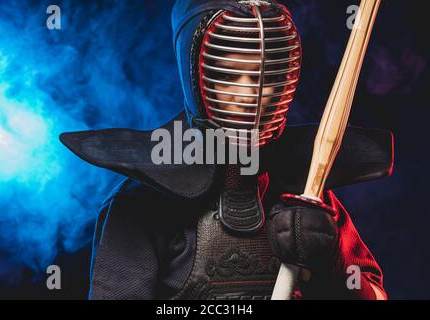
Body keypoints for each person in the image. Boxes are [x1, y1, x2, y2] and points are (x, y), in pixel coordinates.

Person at [60, 0, 393, 300]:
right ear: (197, 77)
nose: (250, 94)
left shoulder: (308, 191)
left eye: (262, 75)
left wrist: (331, 265)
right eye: (230, 75)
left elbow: (376, 296)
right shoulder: (142, 205)